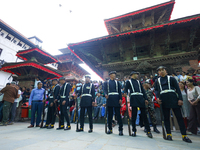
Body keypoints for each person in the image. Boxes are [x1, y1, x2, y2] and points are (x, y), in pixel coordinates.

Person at [155, 66, 192, 143]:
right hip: (163, 99)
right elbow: (156, 90)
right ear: (158, 72)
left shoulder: (172, 79)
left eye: (162, 70)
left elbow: (178, 89)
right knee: (166, 118)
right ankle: (169, 134)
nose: (161, 71)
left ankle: (184, 135)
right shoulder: (157, 81)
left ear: (166, 71)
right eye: (159, 71)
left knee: (179, 117)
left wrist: (180, 99)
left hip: (173, 98)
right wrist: (157, 98)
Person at [125, 71, 153, 138]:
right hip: (134, 98)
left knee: (144, 115)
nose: (137, 75)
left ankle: (148, 131)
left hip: (140, 98)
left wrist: (145, 98)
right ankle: (134, 130)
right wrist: (125, 94)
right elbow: (126, 89)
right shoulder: (129, 82)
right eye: (136, 74)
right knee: (134, 115)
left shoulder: (138, 82)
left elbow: (143, 90)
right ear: (132, 75)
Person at [104, 71, 123, 136]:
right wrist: (106, 94)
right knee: (110, 115)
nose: (114, 75)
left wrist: (120, 98)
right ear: (110, 75)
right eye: (113, 74)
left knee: (118, 115)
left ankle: (120, 129)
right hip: (110, 98)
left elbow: (120, 91)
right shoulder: (106, 82)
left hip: (116, 98)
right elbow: (105, 90)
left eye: (115, 74)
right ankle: (110, 129)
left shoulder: (117, 82)